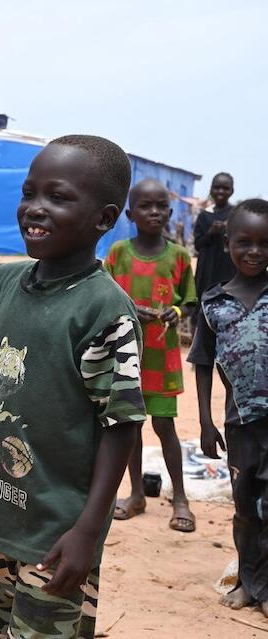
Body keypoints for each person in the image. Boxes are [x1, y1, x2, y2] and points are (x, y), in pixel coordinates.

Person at [0, 135, 146, 639]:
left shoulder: (103, 309)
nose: (35, 209)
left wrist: (88, 532)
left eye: (57, 197)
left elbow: (120, 426)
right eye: (29, 193)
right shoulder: (0, 283)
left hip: (57, 531)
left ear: (102, 219)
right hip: (7, 512)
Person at [188, 199, 268, 616]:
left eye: (264, 243)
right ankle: (247, 583)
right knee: (244, 509)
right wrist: (204, 421)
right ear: (227, 242)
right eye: (245, 242)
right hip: (239, 427)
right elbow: (202, 363)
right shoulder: (214, 303)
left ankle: (265, 589)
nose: (255, 251)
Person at [105, 179, 197, 532]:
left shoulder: (177, 257)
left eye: (161, 206)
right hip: (126, 356)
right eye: (146, 206)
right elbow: (106, 298)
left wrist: (175, 310)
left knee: (164, 426)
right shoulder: (118, 255)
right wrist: (128, 310)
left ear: (170, 213)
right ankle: (136, 493)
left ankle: (181, 499)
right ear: (130, 213)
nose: (154, 212)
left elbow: (188, 300)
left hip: (162, 358)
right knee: (130, 427)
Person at [193, 173, 236, 306]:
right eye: (217, 188)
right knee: (204, 304)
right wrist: (211, 232)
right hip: (207, 269)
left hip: (229, 269)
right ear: (211, 190)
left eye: (225, 188)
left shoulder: (235, 214)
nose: (220, 192)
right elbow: (198, 245)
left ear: (231, 191)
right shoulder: (204, 215)